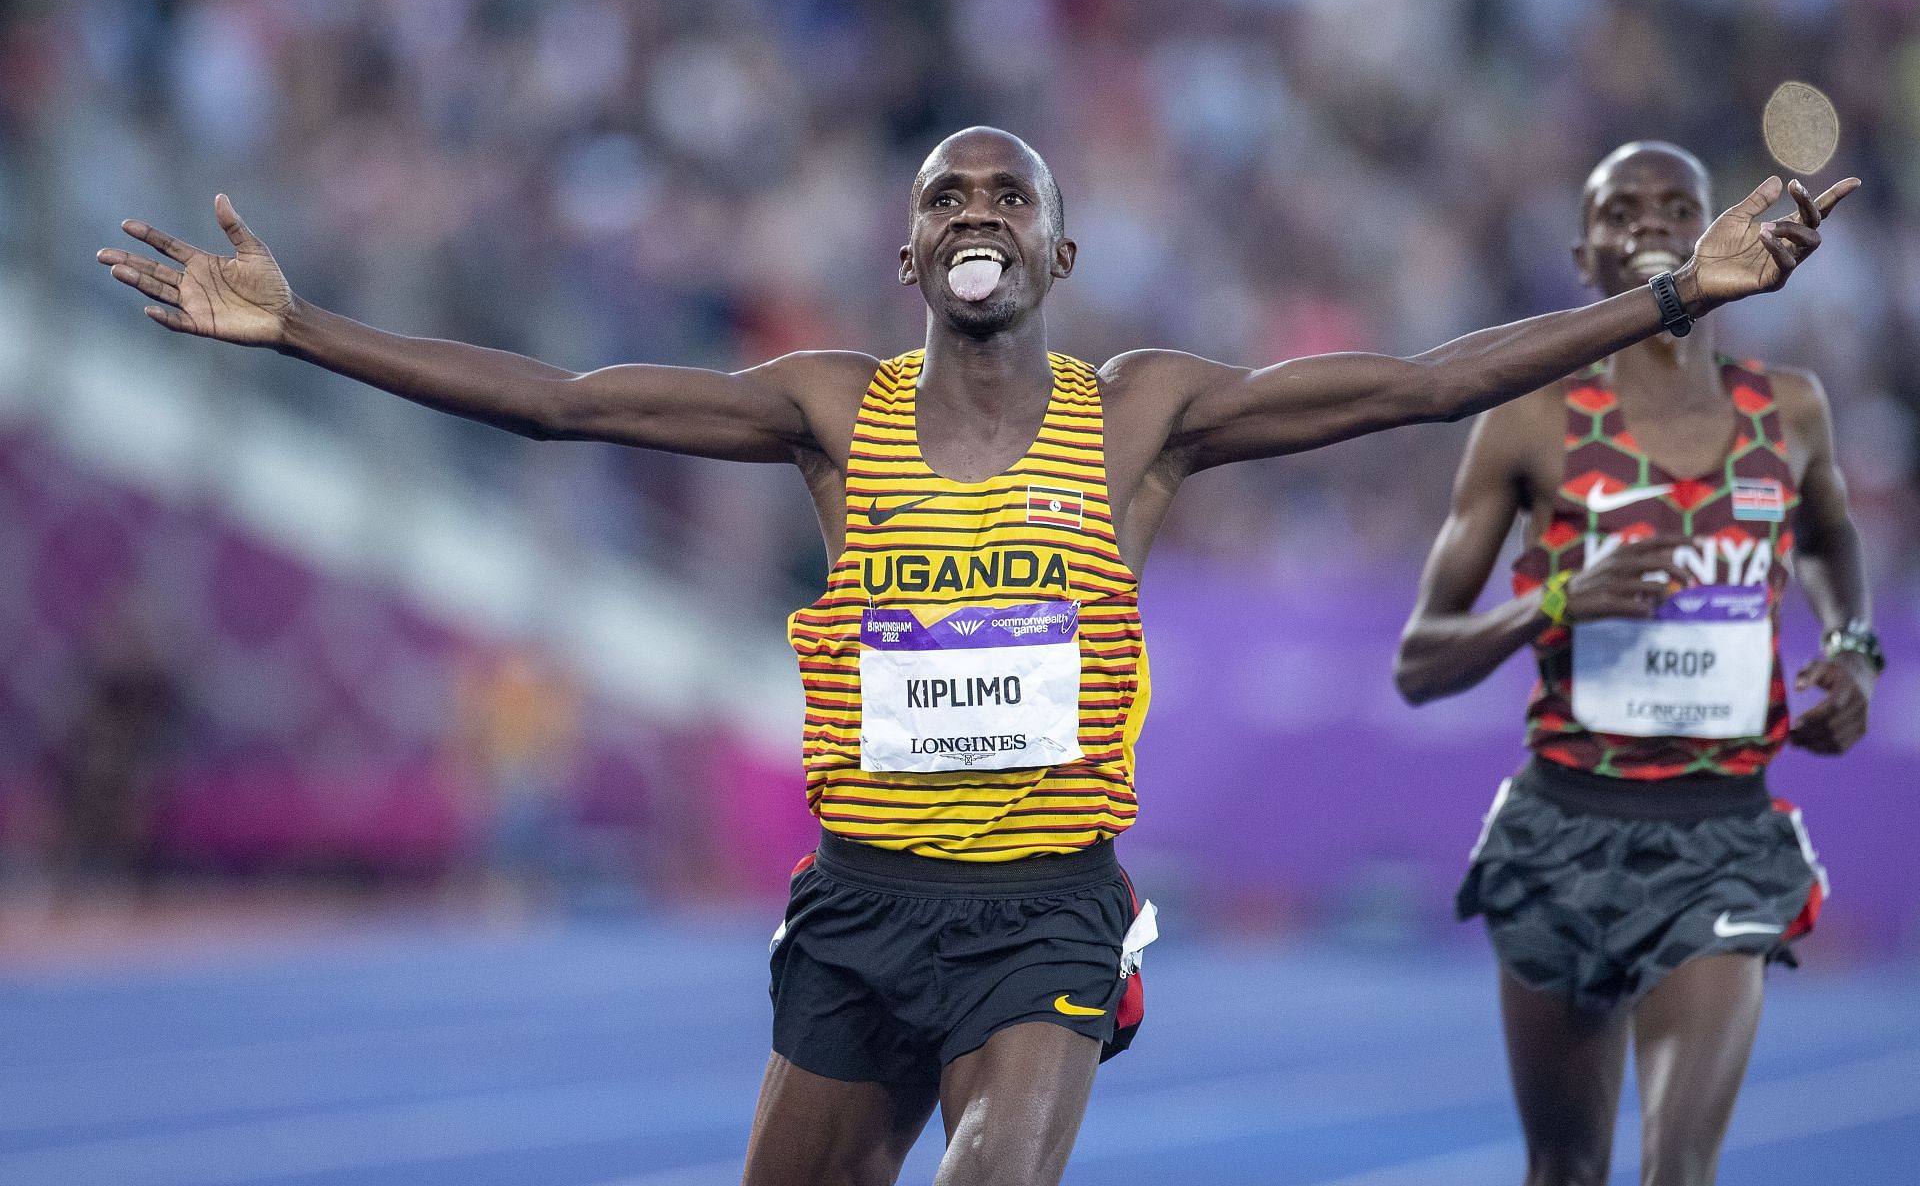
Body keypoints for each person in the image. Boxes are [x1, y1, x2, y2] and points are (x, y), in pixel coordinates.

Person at [99, 127, 1850, 1186]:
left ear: (1063, 248)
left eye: (1011, 188)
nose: (979, 206)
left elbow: (1421, 384)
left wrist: (1675, 297)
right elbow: (562, 406)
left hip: (1042, 915)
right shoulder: (825, 412)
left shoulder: (1143, 413)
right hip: (860, 906)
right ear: (914, 251)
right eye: (948, 194)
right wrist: (301, 328)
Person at [1395, 142, 1877, 1186]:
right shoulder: (1530, 424)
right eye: (1623, 209)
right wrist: (1556, 600)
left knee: (1676, 1163)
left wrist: (1853, 647)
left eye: (1678, 206)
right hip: (1561, 831)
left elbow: (1835, 544)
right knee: (1564, 1168)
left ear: (1719, 229)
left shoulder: (1787, 410)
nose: (1652, 222)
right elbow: (1418, 660)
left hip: (1722, 833)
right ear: (1583, 253)